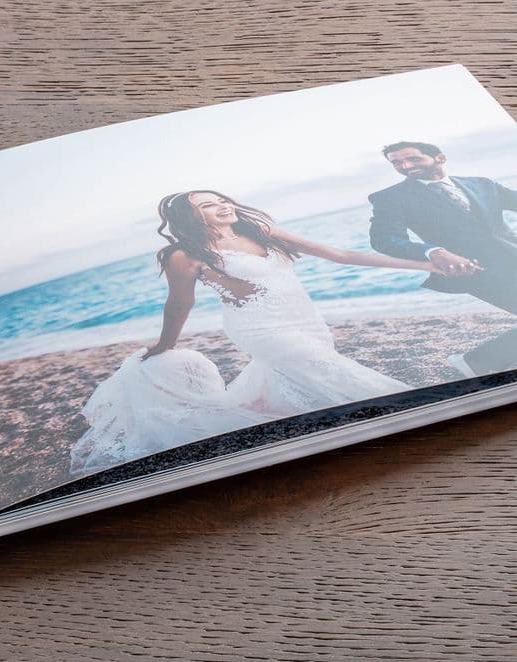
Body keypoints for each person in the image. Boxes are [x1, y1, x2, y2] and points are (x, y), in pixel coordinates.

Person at [68, 189, 473, 477]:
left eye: (221, 199)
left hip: (305, 319)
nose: (222, 206)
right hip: (258, 327)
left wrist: (428, 266)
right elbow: (179, 304)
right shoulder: (184, 254)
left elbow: (342, 255)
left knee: (304, 377)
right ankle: (416, 416)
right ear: (193, 218)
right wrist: (164, 346)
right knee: (331, 372)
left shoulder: (261, 231)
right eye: (208, 206)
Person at [370, 140, 517, 376]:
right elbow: (384, 240)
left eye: (413, 159)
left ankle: (476, 363)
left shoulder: (482, 183)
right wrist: (432, 251)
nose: (405, 166)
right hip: (472, 271)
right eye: (397, 163)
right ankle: (475, 363)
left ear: (439, 158)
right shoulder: (390, 198)